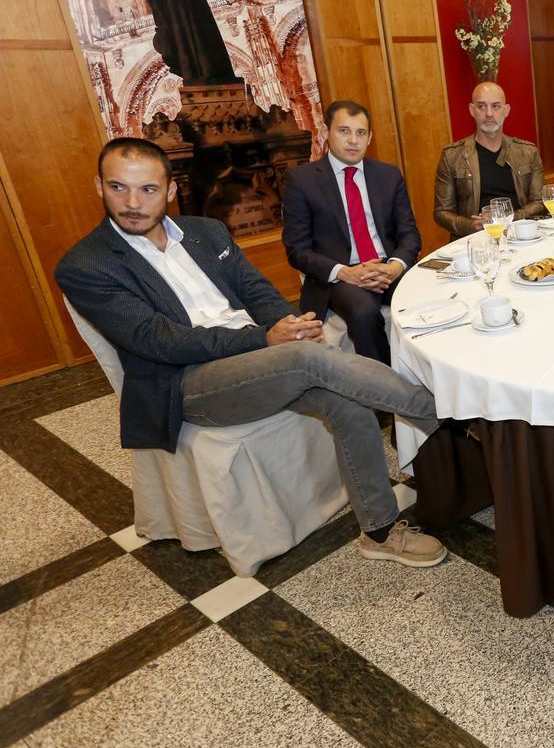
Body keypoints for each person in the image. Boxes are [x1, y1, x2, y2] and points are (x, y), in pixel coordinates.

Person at [57, 138, 449, 568]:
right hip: (185, 382)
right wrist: (265, 339)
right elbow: (159, 341)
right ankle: (448, 417)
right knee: (307, 358)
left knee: (346, 403)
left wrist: (290, 325)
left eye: (147, 189)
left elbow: (256, 291)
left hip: (255, 362)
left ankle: (380, 531)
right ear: (99, 186)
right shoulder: (87, 265)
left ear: (170, 190)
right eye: (118, 187)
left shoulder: (205, 232)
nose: (132, 203)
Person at [282, 100, 419, 366]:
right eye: (344, 131)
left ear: (370, 137)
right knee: (363, 311)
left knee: (428, 293)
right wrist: (346, 273)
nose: (353, 140)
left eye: (361, 133)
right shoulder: (302, 180)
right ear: (327, 132)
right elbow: (296, 250)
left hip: (385, 267)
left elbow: (410, 234)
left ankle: (428, 374)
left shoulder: (388, 175)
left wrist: (394, 267)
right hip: (340, 276)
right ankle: (383, 386)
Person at [433, 81, 546, 237]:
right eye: (481, 106)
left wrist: (507, 218)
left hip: (521, 234)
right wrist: (471, 225)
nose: (489, 113)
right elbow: (441, 212)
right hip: (474, 239)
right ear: (472, 110)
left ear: (506, 110)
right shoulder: (452, 156)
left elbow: (540, 202)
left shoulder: (528, 152)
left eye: (495, 106)